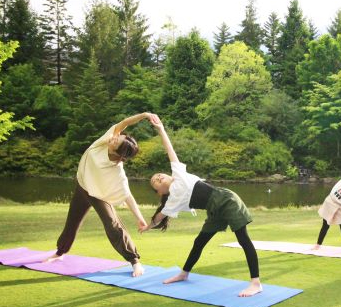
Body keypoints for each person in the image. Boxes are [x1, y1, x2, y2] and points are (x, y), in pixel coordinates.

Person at [141, 117, 262, 297]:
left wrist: (161, 129)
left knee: (243, 239)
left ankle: (256, 283)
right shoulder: (171, 202)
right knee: (199, 242)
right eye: (155, 181)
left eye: (159, 175)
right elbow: (159, 217)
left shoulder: (178, 174)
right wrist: (147, 227)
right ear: (159, 192)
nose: (158, 177)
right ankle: (184, 273)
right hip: (214, 211)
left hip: (226, 200)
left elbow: (169, 149)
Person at [44, 113, 159, 277]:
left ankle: (135, 261)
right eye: (118, 136)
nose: (114, 137)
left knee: (112, 224)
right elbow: (124, 123)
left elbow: (127, 195)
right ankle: (60, 253)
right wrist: (145, 115)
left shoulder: (117, 171)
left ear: (119, 154)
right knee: (72, 222)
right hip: (83, 187)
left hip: (99, 195)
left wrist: (139, 218)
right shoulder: (104, 141)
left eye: (116, 141)